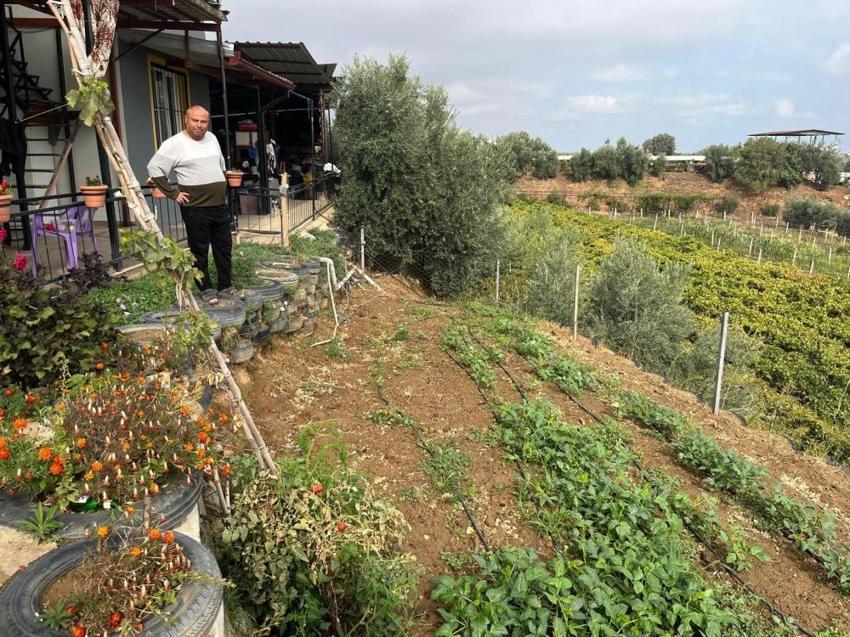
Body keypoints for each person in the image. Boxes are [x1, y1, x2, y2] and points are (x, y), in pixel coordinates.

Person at [147, 105, 231, 295]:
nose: (200, 125)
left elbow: (220, 165)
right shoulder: (174, 143)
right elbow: (154, 168)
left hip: (219, 205)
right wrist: (173, 193)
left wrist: (223, 183)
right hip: (195, 207)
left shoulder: (212, 138)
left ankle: (226, 285)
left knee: (224, 247)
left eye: (203, 121)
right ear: (186, 120)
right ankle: (206, 288)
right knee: (199, 250)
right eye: (195, 121)